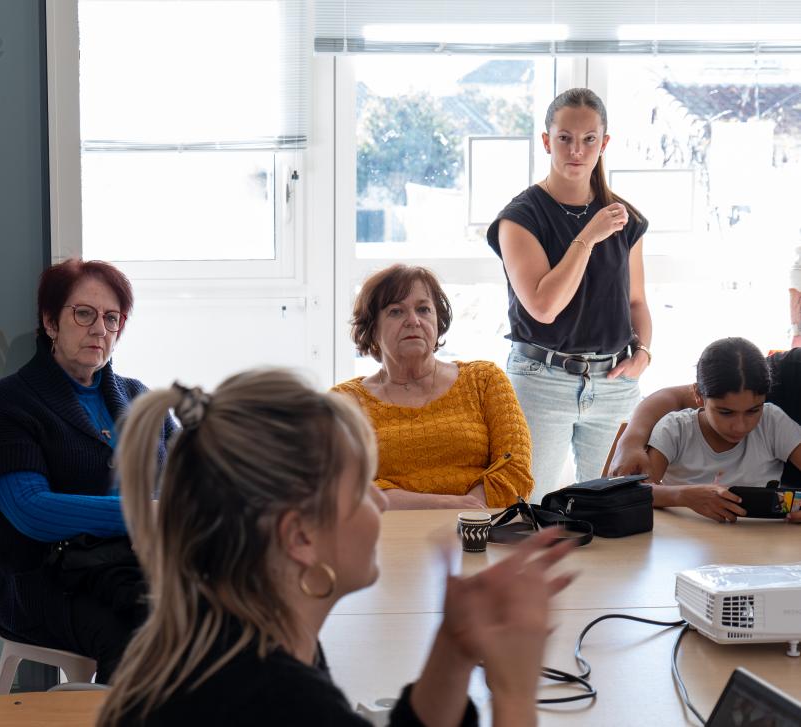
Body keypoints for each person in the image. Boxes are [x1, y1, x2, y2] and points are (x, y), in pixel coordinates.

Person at [97, 369, 575, 727]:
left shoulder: (235, 640)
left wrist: (453, 647)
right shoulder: (280, 702)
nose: (381, 501)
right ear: (300, 537)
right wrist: (513, 692)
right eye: (362, 489)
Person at [0, 258, 175, 683]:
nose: (100, 329)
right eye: (84, 313)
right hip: (44, 579)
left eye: (112, 318)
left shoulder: (138, 397)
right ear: (50, 322)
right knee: (142, 633)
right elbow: (31, 510)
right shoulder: (10, 401)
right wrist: (142, 512)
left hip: (133, 569)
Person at [486, 87, 651, 500]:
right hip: (542, 381)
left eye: (589, 139)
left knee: (614, 509)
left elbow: (636, 302)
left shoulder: (623, 218)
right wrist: (589, 235)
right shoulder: (519, 218)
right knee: (527, 509)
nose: (576, 150)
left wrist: (644, 352)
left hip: (614, 385)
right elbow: (544, 306)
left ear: (604, 143)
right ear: (546, 141)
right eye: (565, 138)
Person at [331, 264, 533, 509]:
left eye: (424, 309)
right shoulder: (344, 402)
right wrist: (445, 505)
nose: (413, 321)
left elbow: (516, 467)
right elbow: (342, 487)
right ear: (372, 329)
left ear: (438, 322)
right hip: (388, 536)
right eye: (396, 311)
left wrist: (467, 513)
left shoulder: (484, 379)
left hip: (481, 531)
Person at [617, 339, 801, 524]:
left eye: (753, 411)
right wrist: (682, 496)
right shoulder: (675, 429)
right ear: (698, 395)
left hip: (761, 544)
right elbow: (635, 491)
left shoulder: (773, 422)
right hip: (681, 543)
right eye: (726, 413)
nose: (740, 426)